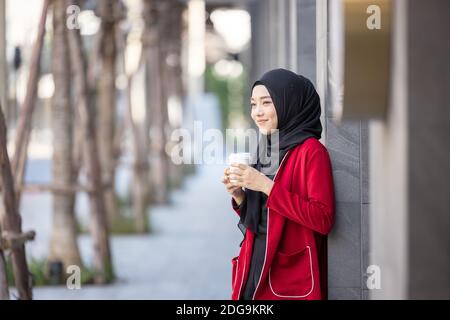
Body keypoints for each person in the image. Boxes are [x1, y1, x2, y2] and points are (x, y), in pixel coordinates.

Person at [221, 68, 335, 300]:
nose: (257, 112)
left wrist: (265, 185)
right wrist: (240, 195)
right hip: (254, 265)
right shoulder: (267, 148)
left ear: (289, 103)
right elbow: (262, 218)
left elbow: (323, 219)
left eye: (266, 103)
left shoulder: (311, 151)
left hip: (287, 276)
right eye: (253, 104)